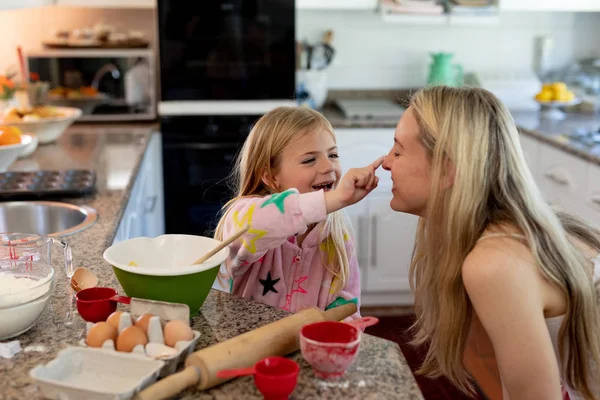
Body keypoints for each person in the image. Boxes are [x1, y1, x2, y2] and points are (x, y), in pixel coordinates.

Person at [381, 86, 600, 400]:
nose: (386, 163)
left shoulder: (495, 262)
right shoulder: (523, 229)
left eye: (398, 151)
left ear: (447, 169)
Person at [214, 106, 382, 320]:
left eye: (333, 154)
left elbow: (347, 306)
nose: (328, 166)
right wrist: (335, 199)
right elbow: (260, 222)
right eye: (309, 160)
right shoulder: (245, 215)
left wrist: (333, 327)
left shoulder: (338, 237)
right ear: (271, 176)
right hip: (245, 346)